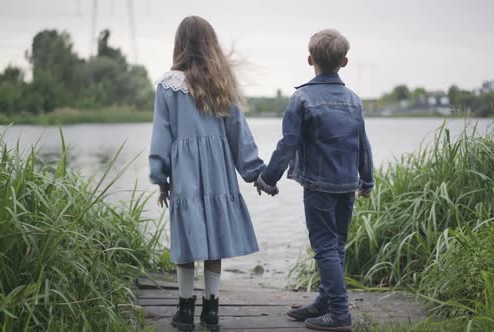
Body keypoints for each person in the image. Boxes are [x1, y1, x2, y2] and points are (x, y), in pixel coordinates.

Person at [148, 16, 271, 332]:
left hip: (185, 171)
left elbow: (161, 134)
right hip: (217, 171)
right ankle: (212, 310)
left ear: (180, 44)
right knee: (215, 236)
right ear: (210, 44)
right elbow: (238, 134)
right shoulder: (222, 81)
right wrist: (255, 173)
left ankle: (185, 310)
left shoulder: (168, 84)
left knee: (187, 238)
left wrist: (161, 179)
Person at [256, 29, 374, 331]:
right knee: (336, 246)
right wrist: (367, 181)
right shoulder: (354, 100)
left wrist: (268, 178)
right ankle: (325, 300)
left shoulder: (302, 98)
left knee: (324, 246)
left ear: (310, 60)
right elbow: (363, 144)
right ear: (345, 62)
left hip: (319, 186)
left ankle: (339, 313)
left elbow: (288, 144)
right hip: (348, 184)